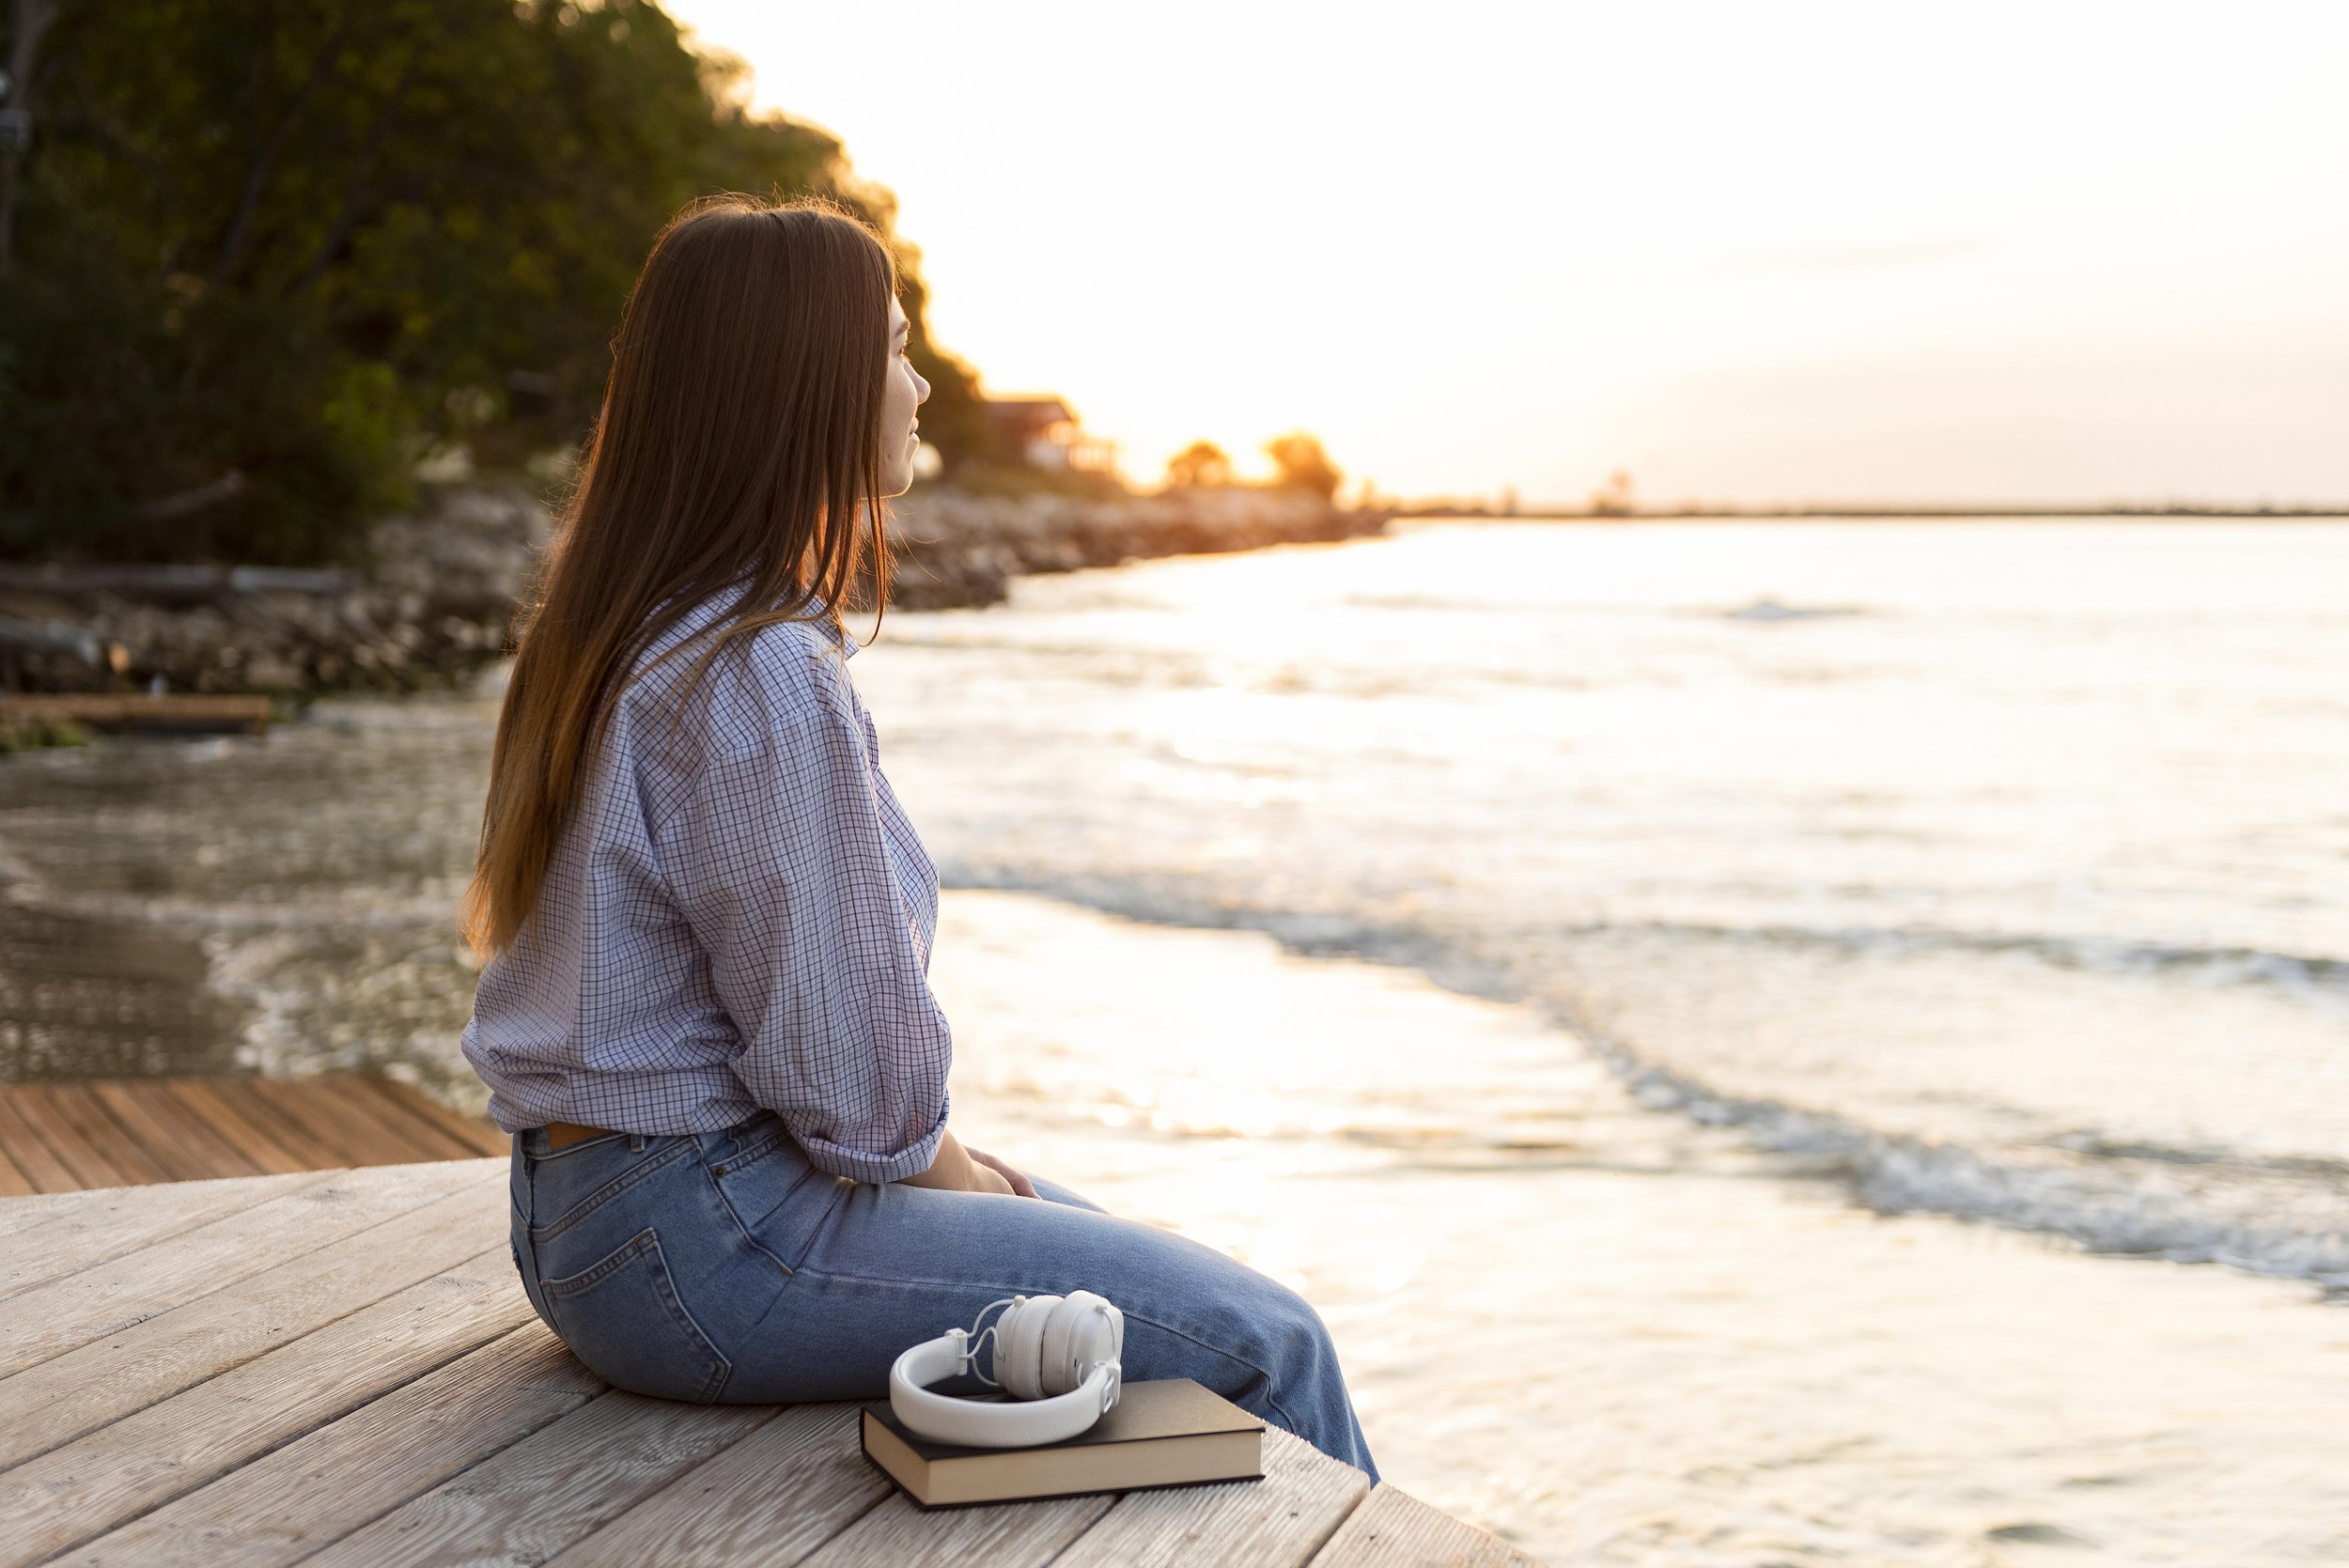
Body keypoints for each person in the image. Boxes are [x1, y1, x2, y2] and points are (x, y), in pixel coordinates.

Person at [459, 195, 1377, 1482]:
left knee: (1129, 1270)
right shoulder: (760, 667)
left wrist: (984, 1187)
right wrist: (965, 1184)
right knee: (1268, 1340)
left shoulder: (630, 622)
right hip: (704, 1239)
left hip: (588, 1222)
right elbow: (849, 1082)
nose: (922, 381)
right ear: (809, 387)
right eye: (893, 349)